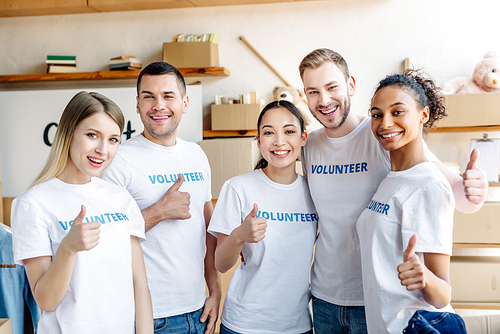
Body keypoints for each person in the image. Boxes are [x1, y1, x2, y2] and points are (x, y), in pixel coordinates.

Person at [298, 48, 488, 333]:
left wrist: (476, 187)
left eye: (331, 87)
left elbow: (451, 190)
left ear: (350, 85)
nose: (323, 100)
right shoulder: (310, 146)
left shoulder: (382, 133)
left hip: (375, 298)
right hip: (325, 297)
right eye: (313, 91)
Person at [11, 91, 153, 334]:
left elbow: (139, 283)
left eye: (113, 140)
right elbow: (45, 301)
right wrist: (68, 249)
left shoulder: (120, 198)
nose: (102, 150)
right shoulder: (32, 204)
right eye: (92, 135)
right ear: (68, 134)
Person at [102, 62, 221, 334]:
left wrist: (214, 291)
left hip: (198, 309)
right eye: (149, 97)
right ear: (137, 104)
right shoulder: (118, 160)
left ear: (185, 102)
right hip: (150, 317)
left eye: (168, 96)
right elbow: (107, 239)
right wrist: (159, 211)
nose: (158, 106)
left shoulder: (196, 155)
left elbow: (208, 231)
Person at [356, 69, 458, 333]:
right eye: (377, 115)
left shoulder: (429, 186)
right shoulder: (393, 178)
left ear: (423, 115)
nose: (385, 123)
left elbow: (443, 294)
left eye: (397, 111)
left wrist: (424, 277)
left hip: (417, 326)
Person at [208, 100, 317, 334]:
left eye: (289, 131)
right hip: (244, 324)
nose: (279, 141)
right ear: (258, 141)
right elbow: (221, 263)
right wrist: (238, 236)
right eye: (269, 133)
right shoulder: (238, 187)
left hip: (297, 325)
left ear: (303, 138)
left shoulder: (314, 191)